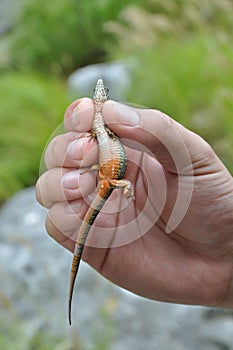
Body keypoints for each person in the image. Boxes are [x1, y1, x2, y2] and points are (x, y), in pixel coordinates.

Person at [36, 97, 233, 309]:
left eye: (103, 94)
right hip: (106, 175)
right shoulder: (98, 128)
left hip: (111, 178)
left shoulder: (107, 124)